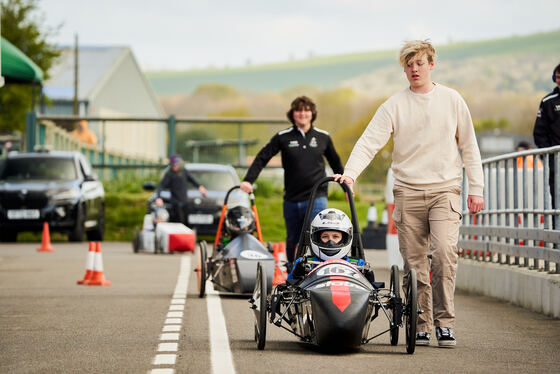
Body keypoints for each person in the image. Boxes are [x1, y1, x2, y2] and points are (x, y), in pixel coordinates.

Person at [334, 40, 484, 348]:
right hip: (408, 192)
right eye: (409, 64)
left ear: (431, 64)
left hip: (445, 189)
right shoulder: (394, 105)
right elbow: (368, 142)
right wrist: (350, 173)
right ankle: (421, 324)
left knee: (443, 253)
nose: (414, 69)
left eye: (419, 63)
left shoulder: (452, 100)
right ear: (404, 68)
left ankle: (445, 323)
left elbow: (469, 146)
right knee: (414, 264)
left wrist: (477, 189)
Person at [240, 96, 344, 263]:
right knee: (293, 239)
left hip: (317, 196)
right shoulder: (283, 137)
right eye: (299, 110)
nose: (303, 114)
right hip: (292, 198)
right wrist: (248, 180)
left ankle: (318, 271)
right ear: (293, 114)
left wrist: (346, 187)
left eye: (306, 110)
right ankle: (293, 272)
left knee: (317, 235)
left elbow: (336, 163)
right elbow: (262, 157)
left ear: (312, 113)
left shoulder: (323, 137)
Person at [288, 208, 367, 280]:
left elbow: (373, 290)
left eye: (335, 237)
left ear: (344, 239)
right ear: (317, 238)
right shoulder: (306, 263)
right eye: (325, 236)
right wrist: (296, 274)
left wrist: (369, 278)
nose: (330, 241)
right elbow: (288, 285)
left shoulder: (358, 264)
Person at [533, 63, 560, 214]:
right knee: (557, 202)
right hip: (556, 163)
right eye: (558, 77)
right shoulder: (548, 102)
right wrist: (550, 156)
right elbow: (539, 133)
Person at [155, 155, 207, 225]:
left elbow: (192, 180)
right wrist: (158, 197)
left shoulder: (183, 171)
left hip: (185, 202)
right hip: (176, 203)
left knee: (186, 223)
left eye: (176, 165)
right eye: (173, 165)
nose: (175, 167)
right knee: (179, 222)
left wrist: (200, 187)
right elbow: (161, 186)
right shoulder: (169, 174)